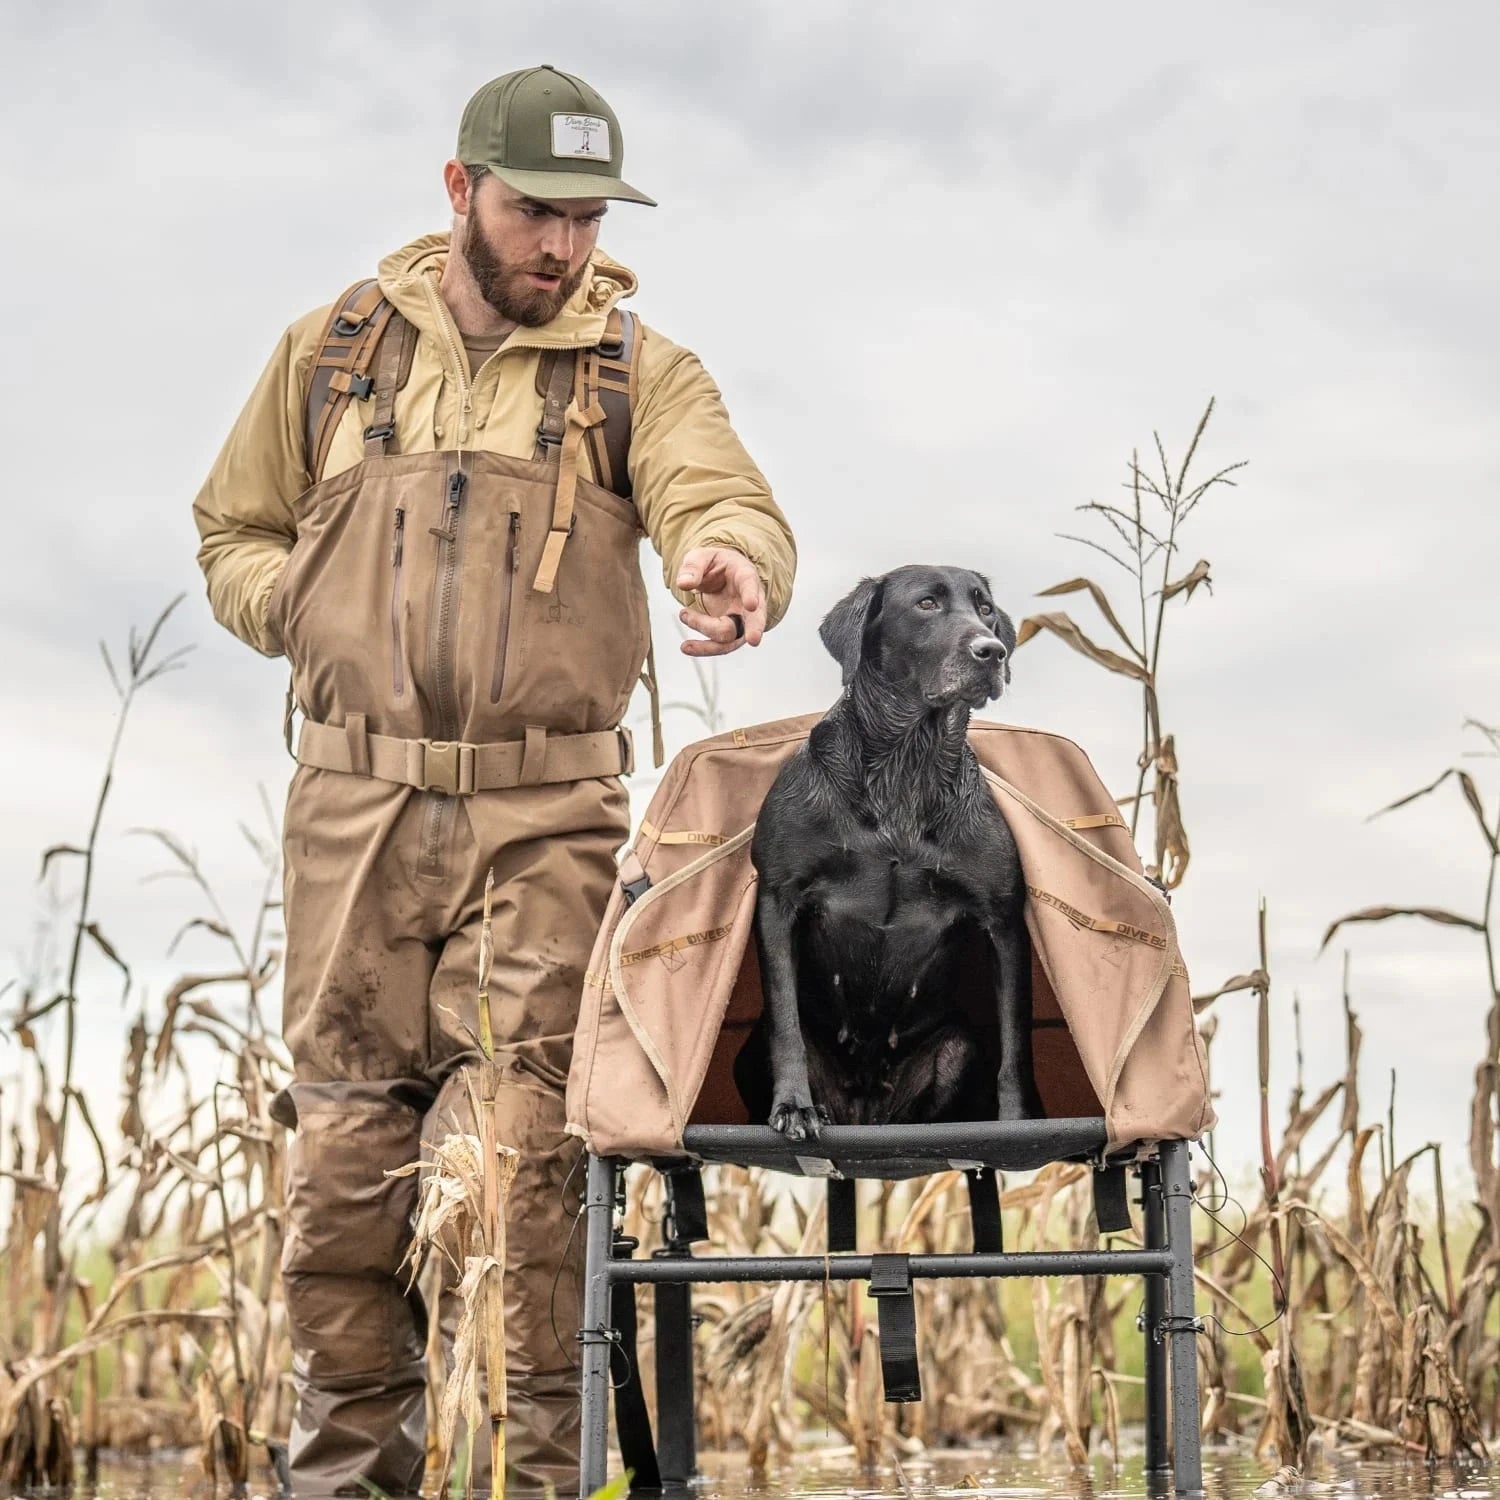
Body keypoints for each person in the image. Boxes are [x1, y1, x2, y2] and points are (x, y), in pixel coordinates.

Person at [193, 64, 796, 1497]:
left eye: (589, 220)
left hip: (550, 822)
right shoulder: (331, 355)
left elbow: (722, 495)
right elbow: (231, 534)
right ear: (460, 190)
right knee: (344, 1174)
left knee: (535, 1178)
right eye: (537, 213)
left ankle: (547, 1485)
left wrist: (732, 561)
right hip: (352, 815)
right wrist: (307, 611)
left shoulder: (638, 374)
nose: (564, 248)